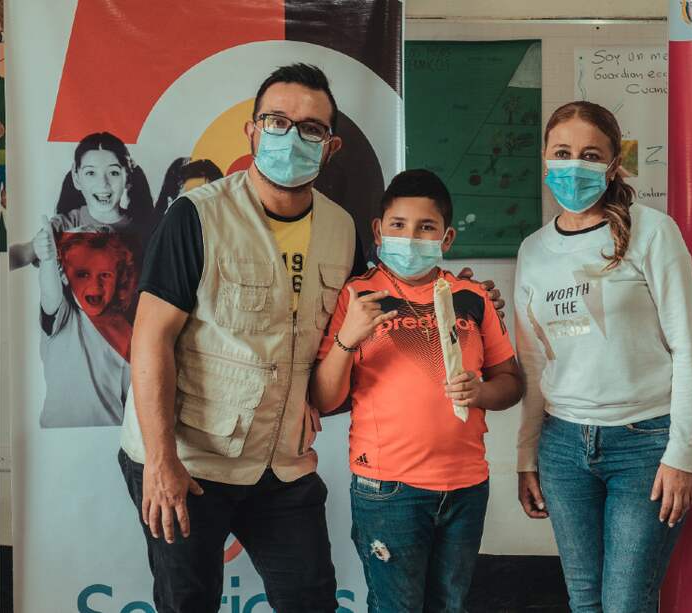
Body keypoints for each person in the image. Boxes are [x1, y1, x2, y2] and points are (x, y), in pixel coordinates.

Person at [117, 64, 504, 613]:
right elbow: (151, 338)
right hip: (189, 456)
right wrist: (160, 461)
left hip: (281, 461)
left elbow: (386, 294)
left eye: (311, 128)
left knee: (311, 598)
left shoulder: (342, 229)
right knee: (188, 602)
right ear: (252, 131)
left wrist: (462, 294)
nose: (291, 137)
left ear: (330, 146)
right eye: (276, 121)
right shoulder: (196, 217)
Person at [515, 101, 692, 613]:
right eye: (562, 153)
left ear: (613, 164)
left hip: (643, 445)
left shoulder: (653, 231)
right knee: (584, 600)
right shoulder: (533, 250)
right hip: (562, 447)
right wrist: (526, 457)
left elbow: (689, 348)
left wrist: (682, 454)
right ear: (545, 157)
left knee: (626, 603)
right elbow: (533, 362)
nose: (573, 165)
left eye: (590, 154)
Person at [310, 169, 523, 612]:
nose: (410, 237)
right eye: (398, 225)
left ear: (446, 238)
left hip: (466, 486)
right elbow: (326, 399)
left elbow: (511, 383)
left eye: (426, 227)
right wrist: (348, 338)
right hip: (389, 488)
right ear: (378, 231)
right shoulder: (358, 295)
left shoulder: (472, 296)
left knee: (450, 606)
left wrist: (481, 393)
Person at [8, 132, 154, 270]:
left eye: (113, 173)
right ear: (76, 177)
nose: (103, 183)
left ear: (127, 178)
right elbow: (14, 258)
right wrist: (35, 247)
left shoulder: (142, 228)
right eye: (91, 173)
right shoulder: (63, 226)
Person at [38, 228, 138, 427]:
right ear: (64, 276)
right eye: (83, 274)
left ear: (119, 278)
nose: (95, 284)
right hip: (58, 434)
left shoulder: (125, 330)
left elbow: (131, 398)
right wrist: (48, 261)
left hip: (109, 432)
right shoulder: (64, 314)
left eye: (105, 275)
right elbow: (50, 295)